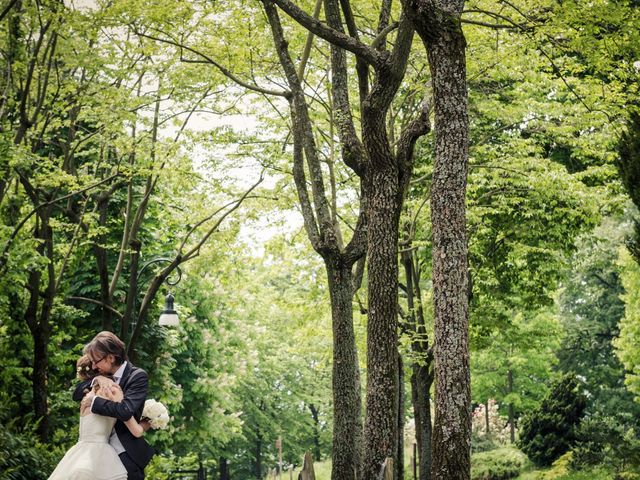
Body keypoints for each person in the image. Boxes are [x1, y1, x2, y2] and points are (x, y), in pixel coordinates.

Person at [72, 331, 155, 480]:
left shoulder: (137, 376)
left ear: (111, 357)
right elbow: (76, 394)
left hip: (124, 453)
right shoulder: (100, 376)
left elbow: (125, 411)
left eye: (96, 361)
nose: (93, 366)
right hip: (94, 455)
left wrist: (94, 402)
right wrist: (96, 379)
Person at [48, 355, 145, 480]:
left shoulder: (87, 395)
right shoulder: (113, 391)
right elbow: (133, 426)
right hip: (101, 452)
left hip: (79, 453)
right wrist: (145, 423)